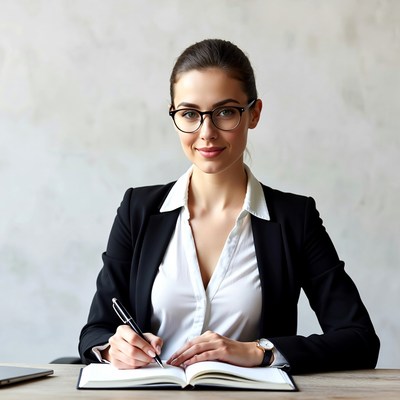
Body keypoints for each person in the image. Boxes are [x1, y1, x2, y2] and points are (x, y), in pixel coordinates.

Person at [78, 39, 380, 374]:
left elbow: (360, 340)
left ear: (254, 113)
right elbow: (96, 331)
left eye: (225, 112)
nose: (206, 132)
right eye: (190, 114)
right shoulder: (138, 210)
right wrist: (111, 348)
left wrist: (260, 351)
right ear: (174, 114)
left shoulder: (294, 218)